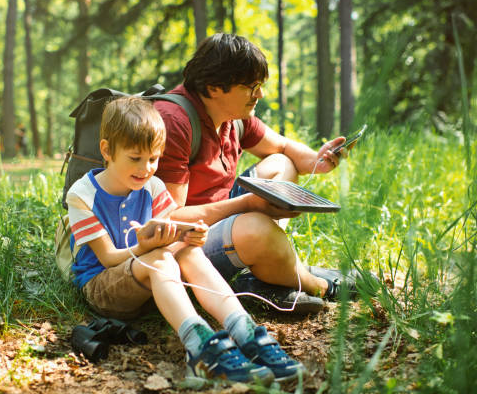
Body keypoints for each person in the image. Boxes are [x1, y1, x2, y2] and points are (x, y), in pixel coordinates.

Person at [66, 96, 305, 384]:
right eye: (135, 158)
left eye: (154, 159)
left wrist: (191, 235)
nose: (146, 168)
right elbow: (107, 258)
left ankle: (244, 330)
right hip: (104, 287)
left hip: (151, 280)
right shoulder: (83, 195)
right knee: (160, 258)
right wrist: (145, 247)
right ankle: (199, 348)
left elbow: (174, 226)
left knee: (188, 252)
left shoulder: (152, 187)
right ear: (107, 150)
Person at [154, 33, 361, 311]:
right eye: (251, 86)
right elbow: (169, 218)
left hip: (218, 216)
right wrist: (248, 204)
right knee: (257, 228)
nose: (260, 94)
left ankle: (268, 272)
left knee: (281, 163)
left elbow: (283, 147)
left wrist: (318, 160)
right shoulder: (174, 122)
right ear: (215, 87)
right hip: (184, 242)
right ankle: (317, 285)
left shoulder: (233, 117)